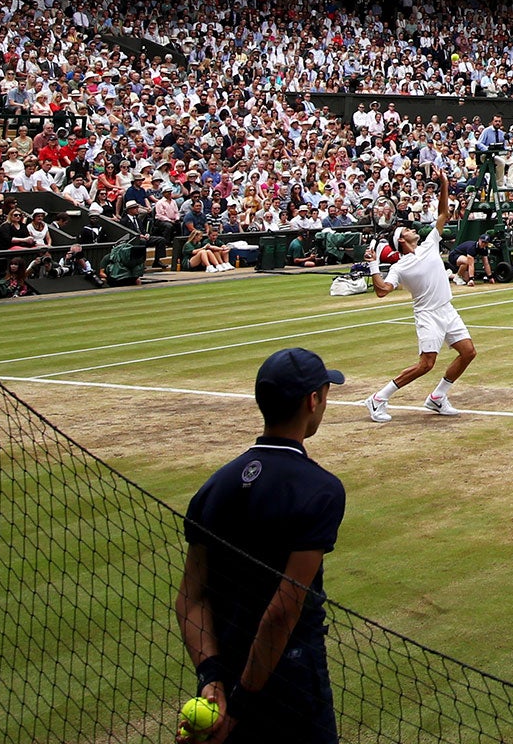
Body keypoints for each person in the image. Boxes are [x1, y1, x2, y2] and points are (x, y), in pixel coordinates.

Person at [179, 348, 347, 744]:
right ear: (313, 401)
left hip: (226, 665)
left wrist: (213, 680)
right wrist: (240, 706)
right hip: (290, 678)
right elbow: (282, 612)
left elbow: (191, 598)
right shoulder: (321, 490)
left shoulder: (213, 487)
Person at [365, 170, 475, 421]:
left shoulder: (429, 244)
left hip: (447, 309)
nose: (411, 229)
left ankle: (437, 398)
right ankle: (378, 398)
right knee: (426, 364)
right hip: (428, 316)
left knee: (468, 352)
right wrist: (373, 267)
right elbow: (382, 291)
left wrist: (444, 183)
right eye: (406, 229)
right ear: (402, 241)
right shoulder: (399, 267)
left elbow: (443, 214)